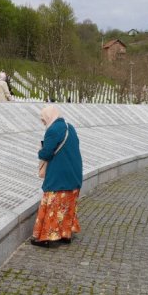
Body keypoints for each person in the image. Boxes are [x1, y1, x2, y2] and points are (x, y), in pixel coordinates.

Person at [31, 105, 83, 248]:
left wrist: (40, 151)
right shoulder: (69, 127)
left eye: (43, 120)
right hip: (74, 175)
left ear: (49, 116)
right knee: (68, 206)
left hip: (59, 177)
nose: (43, 123)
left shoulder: (53, 130)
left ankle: (47, 237)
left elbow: (46, 153)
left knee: (53, 206)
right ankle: (65, 235)